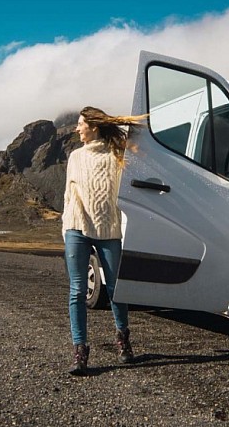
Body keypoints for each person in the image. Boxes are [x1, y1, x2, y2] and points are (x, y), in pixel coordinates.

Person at [62, 106, 146, 375]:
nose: (77, 129)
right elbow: (68, 193)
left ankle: (123, 340)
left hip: (108, 228)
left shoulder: (117, 154)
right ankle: (80, 351)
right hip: (76, 226)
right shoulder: (75, 156)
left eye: (80, 124)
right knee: (77, 291)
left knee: (115, 289)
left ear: (94, 126)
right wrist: (67, 226)